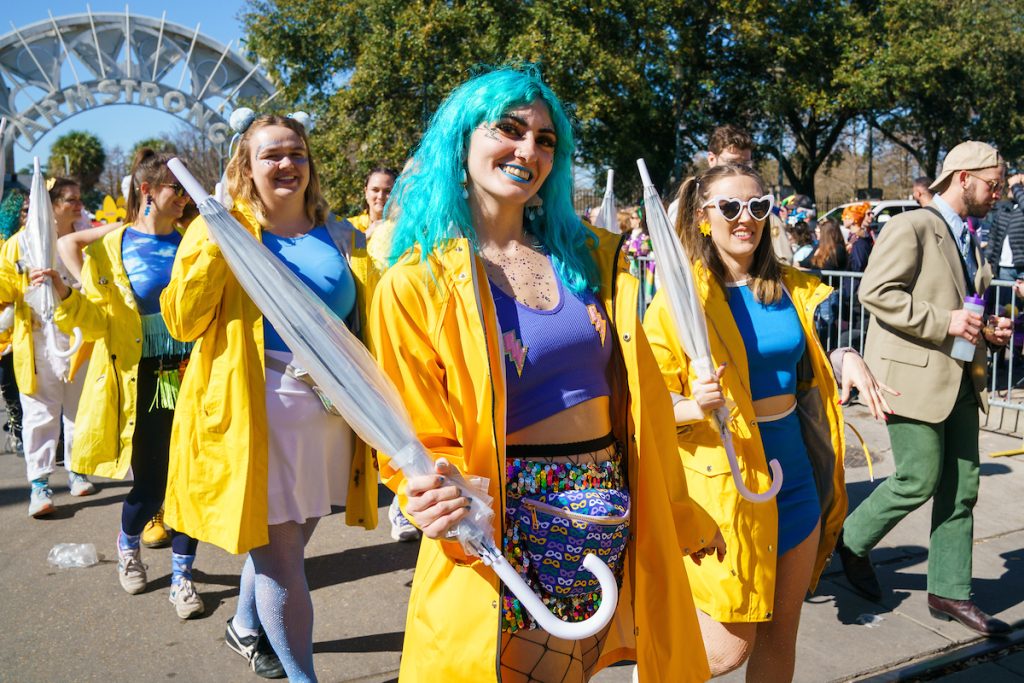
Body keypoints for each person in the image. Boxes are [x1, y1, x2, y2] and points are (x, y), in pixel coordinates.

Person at [371, 66, 723, 683]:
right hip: (507, 514)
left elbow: (635, 404)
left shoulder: (590, 259)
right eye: (508, 130)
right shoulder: (416, 282)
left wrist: (679, 507)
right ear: (461, 141)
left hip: (606, 502)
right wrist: (430, 492)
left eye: (545, 139)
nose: (527, 149)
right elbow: (412, 434)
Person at [644, 163, 893, 683]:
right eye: (730, 207)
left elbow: (811, 352)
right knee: (725, 650)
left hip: (795, 478)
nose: (746, 219)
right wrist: (692, 404)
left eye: (758, 206)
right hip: (727, 485)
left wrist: (845, 354)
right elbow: (643, 401)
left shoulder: (792, 287)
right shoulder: (680, 298)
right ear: (703, 215)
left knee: (781, 634)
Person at [161, 114, 379, 681]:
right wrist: (216, 235)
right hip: (255, 418)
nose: (286, 164)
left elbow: (368, 323)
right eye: (271, 155)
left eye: (296, 153)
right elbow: (182, 321)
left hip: (331, 413)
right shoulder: (218, 229)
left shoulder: (344, 235)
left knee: (295, 540)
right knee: (282, 562)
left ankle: (243, 625)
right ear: (245, 167)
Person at [837, 141, 1014, 636]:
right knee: (917, 478)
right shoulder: (911, 225)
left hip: (958, 379)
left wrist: (989, 328)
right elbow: (875, 292)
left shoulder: (969, 236)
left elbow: (963, 308)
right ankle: (851, 540)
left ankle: (950, 592)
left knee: (962, 488)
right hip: (908, 381)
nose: (997, 194)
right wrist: (947, 322)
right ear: (963, 178)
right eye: (992, 184)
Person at [46, 149, 204, 617]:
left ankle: (183, 576)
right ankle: (128, 543)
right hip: (141, 378)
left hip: (190, 372)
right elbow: (95, 319)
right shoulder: (111, 249)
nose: (184, 200)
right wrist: (63, 292)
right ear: (147, 191)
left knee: (189, 481)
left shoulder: (193, 241)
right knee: (152, 484)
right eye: (176, 190)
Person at [0, 177, 96, 516]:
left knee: (78, 409)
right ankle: (39, 485)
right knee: (40, 412)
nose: (77, 204)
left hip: (77, 335)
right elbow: (4, 288)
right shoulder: (17, 245)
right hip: (37, 338)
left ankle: (77, 469)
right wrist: (24, 282)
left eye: (79, 198)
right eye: (70, 199)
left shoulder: (82, 242)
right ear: (52, 204)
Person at [667, 125, 755, 225]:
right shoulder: (684, 207)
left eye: (746, 164)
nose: (739, 169)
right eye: (732, 163)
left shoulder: (757, 206)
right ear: (712, 159)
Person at [0, 190, 25, 454]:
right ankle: (17, 424)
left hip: (22, 323)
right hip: (4, 326)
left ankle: (20, 427)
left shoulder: (17, 243)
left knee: (15, 379)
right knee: (7, 380)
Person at [984, 175, 1024, 282]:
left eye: (1014, 187)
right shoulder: (1004, 209)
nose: (1010, 189)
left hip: (1022, 268)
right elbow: (993, 238)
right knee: (1003, 298)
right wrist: (988, 261)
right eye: (1010, 187)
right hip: (1003, 267)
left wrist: (1016, 185)